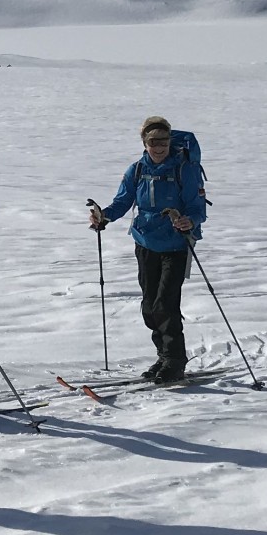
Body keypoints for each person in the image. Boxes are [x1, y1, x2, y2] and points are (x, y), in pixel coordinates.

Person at [89, 116, 206, 382]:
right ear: (144, 143)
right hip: (145, 243)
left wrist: (189, 221)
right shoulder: (137, 170)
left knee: (165, 303)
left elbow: (197, 209)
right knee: (149, 306)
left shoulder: (185, 169)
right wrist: (103, 216)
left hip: (176, 245)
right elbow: (122, 201)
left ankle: (175, 361)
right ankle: (164, 356)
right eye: (153, 142)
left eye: (164, 141)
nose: (159, 147)